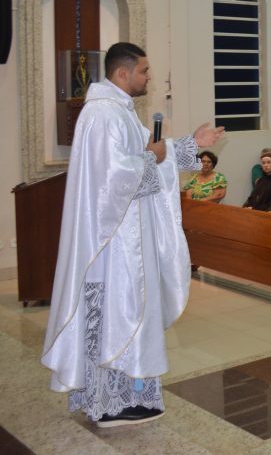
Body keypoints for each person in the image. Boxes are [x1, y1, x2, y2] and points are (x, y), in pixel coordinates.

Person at [42, 42, 224, 427]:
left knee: (123, 313)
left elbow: (152, 153)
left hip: (124, 237)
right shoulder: (104, 115)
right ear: (122, 74)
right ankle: (111, 402)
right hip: (112, 244)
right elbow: (113, 178)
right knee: (117, 314)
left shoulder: (118, 113)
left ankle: (114, 397)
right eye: (144, 71)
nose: (149, 78)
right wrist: (151, 157)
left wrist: (191, 145)